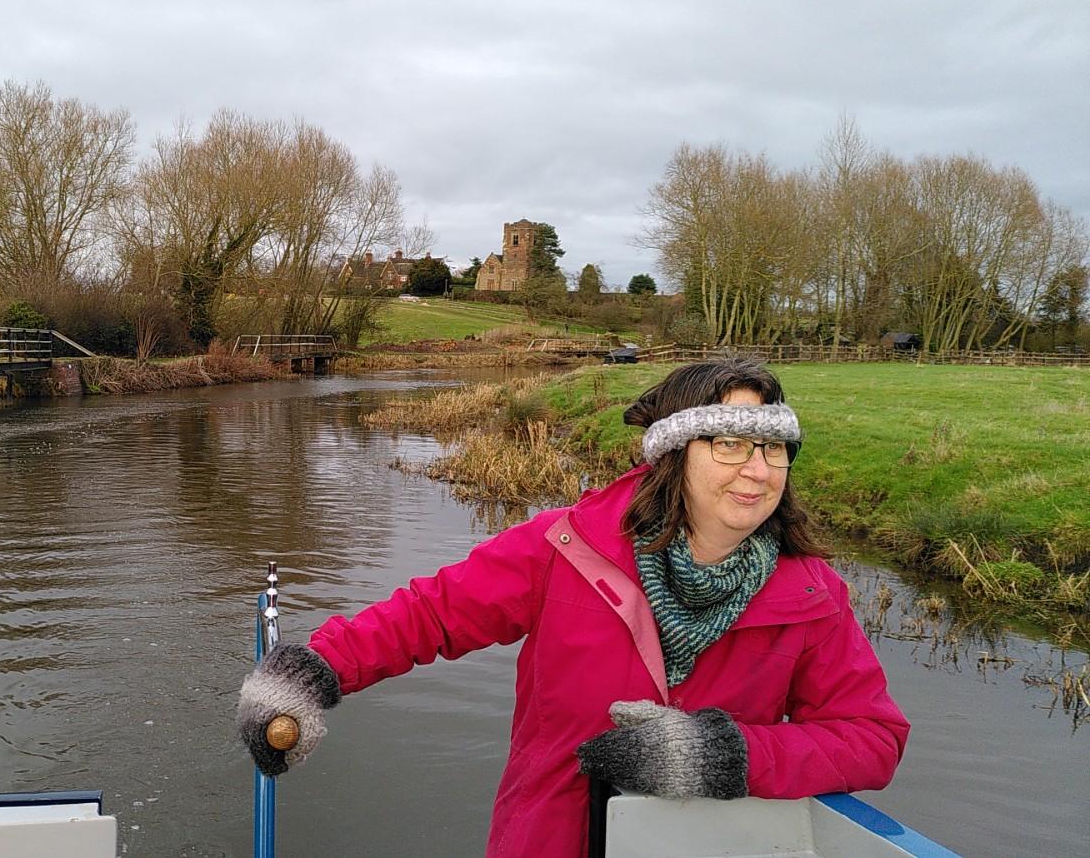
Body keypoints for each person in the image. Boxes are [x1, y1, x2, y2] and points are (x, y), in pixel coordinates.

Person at [236, 359, 909, 857]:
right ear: (673, 456)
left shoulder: (812, 595)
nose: (757, 470)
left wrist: (724, 756)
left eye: (772, 448)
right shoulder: (566, 547)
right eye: (729, 444)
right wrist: (314, 670)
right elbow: (431, 614)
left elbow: (872, 738)